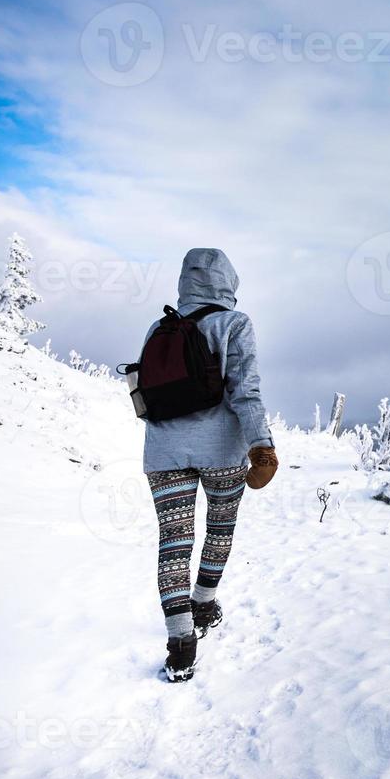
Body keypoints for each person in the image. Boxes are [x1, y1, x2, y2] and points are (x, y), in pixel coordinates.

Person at [142, 248, 278, 682]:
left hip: (163, 453)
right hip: (222, 452)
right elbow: (245, 391)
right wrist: (262, 447)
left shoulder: (158, 326)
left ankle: (181, 645)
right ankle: (203, 605)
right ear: (228, 282)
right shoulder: (235, 324)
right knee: (219, 530)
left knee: (174, 541)